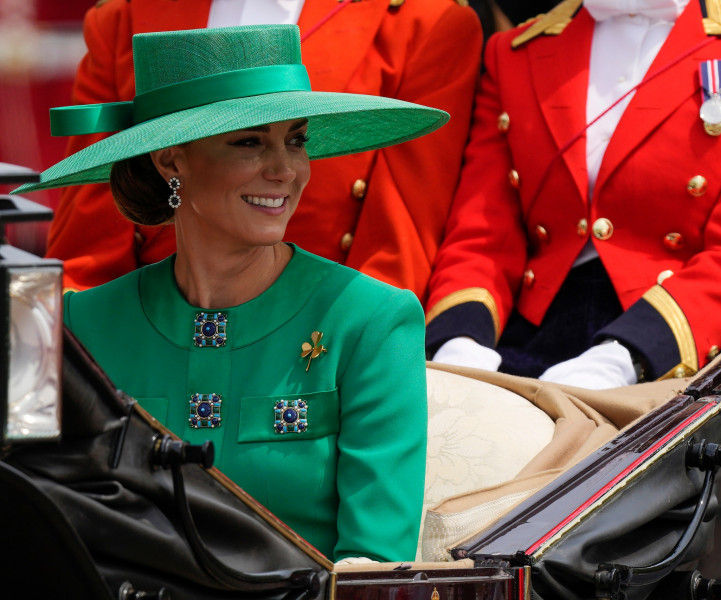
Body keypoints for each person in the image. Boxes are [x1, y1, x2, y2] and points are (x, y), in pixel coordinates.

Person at [17, 24, 445, 563]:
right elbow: (31, 535)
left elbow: (375, 569)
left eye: (296, 139)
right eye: (249, 142)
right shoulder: (77, 325)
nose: (284, 169)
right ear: (171, 160)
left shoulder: (372, 321)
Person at [424, 0, 721, 439]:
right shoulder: (516, 52)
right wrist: (459, 344)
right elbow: (482, 234)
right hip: (531, 337)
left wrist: (624, 358)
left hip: (692, 345)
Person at [44, 0, 482, 300]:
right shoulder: (124, 15)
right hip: (141, 342)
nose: (284, 168)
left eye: (299, 139)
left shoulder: (424, 22)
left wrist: (334, 357)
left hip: (312, 348)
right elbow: (89, 257)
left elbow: (394, 251)